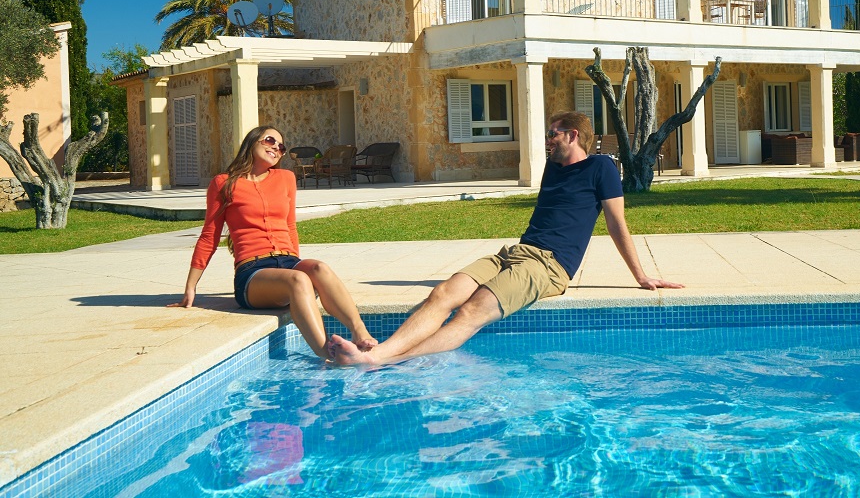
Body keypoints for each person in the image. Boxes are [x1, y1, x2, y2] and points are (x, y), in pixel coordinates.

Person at [330, 111, 682, 366]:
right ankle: (379, 352)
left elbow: (616, 222)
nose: (547, 140)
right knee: (442, 293)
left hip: (550, 265)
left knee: (471, 309)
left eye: (553, 134)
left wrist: (640, 275)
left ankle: (383, 362)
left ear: (573, 135)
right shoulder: (551, 168)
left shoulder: (601, 167)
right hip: (514, 253)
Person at [169, 124, 377, 361]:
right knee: (298, 279)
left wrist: (297, 266)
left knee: (317, 267)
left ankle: (359, 330)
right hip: (252, 271)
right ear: (252, 142)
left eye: (281, 146)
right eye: (270, 141)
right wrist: (191, 287)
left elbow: (290, 227)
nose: (277, 148)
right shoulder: (223, 183)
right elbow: (210, 235)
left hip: (287, 262)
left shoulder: (286, 178)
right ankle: (325, 355)